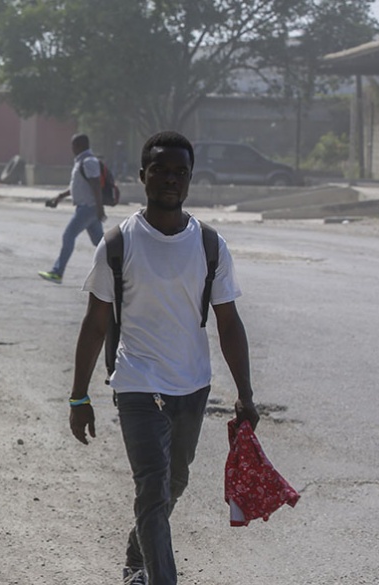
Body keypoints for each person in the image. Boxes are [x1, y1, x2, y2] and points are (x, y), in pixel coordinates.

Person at [66, 130, 259, 585]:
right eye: (160, 171)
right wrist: (78, 397)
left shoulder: (210, 245)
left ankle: (138, 559)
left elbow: (228, 324)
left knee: (175, 483)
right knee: (152, 489)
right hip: (136, 384)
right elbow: (96, 323)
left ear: (189, 180)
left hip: (192, 386)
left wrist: (246, 394)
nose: (170, 180)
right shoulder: (118, 243)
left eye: (180, 173)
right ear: (142, 176)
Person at [39, 133, 107, 283]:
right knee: (101, 243)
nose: (71, 148)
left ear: (79, 145)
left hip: (87, 208)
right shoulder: (81, 162)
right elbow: (77, 186)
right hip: (89, 208)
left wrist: (100, 209)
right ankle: (124, 270)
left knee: (68, 236)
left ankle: (57, 272)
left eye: (73, 145)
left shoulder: (89, 161)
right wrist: (60, 197)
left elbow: (96, 185)